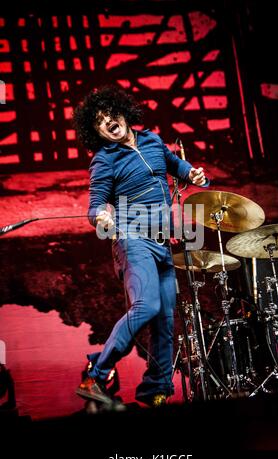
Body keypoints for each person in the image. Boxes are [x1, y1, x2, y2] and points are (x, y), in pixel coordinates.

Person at [73, 85, 209, 407]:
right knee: (146, 306)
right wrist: (101, 216)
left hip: (163, 241)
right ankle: (96, 372)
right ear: (96, 132)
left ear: (123, 112)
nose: (109, 122)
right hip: (133, 239)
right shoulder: (104, 161)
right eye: (100, 122)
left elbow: (174, 165)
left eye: (111, 114)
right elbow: (95, 204)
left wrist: (193, 174)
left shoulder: (150, 139)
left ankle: (155, 390)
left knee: (164, 317)